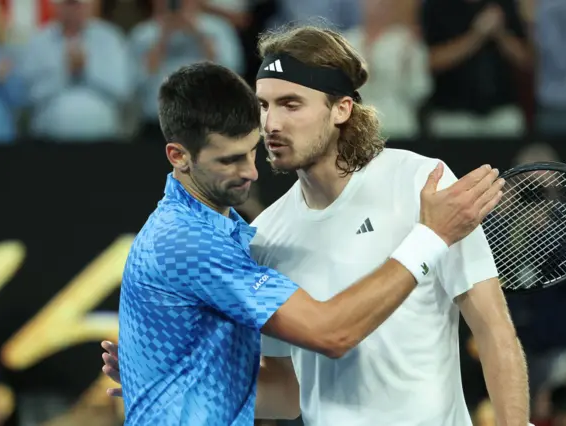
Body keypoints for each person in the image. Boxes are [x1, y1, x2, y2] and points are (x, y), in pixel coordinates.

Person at [103, 25, 527, 425]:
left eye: (291, 104)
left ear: (341, 109)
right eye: (264, 105)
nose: (271, 124)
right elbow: (288, 394)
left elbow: (492, 328)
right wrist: (174, 379)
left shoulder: (423, 183)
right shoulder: (266, 234)